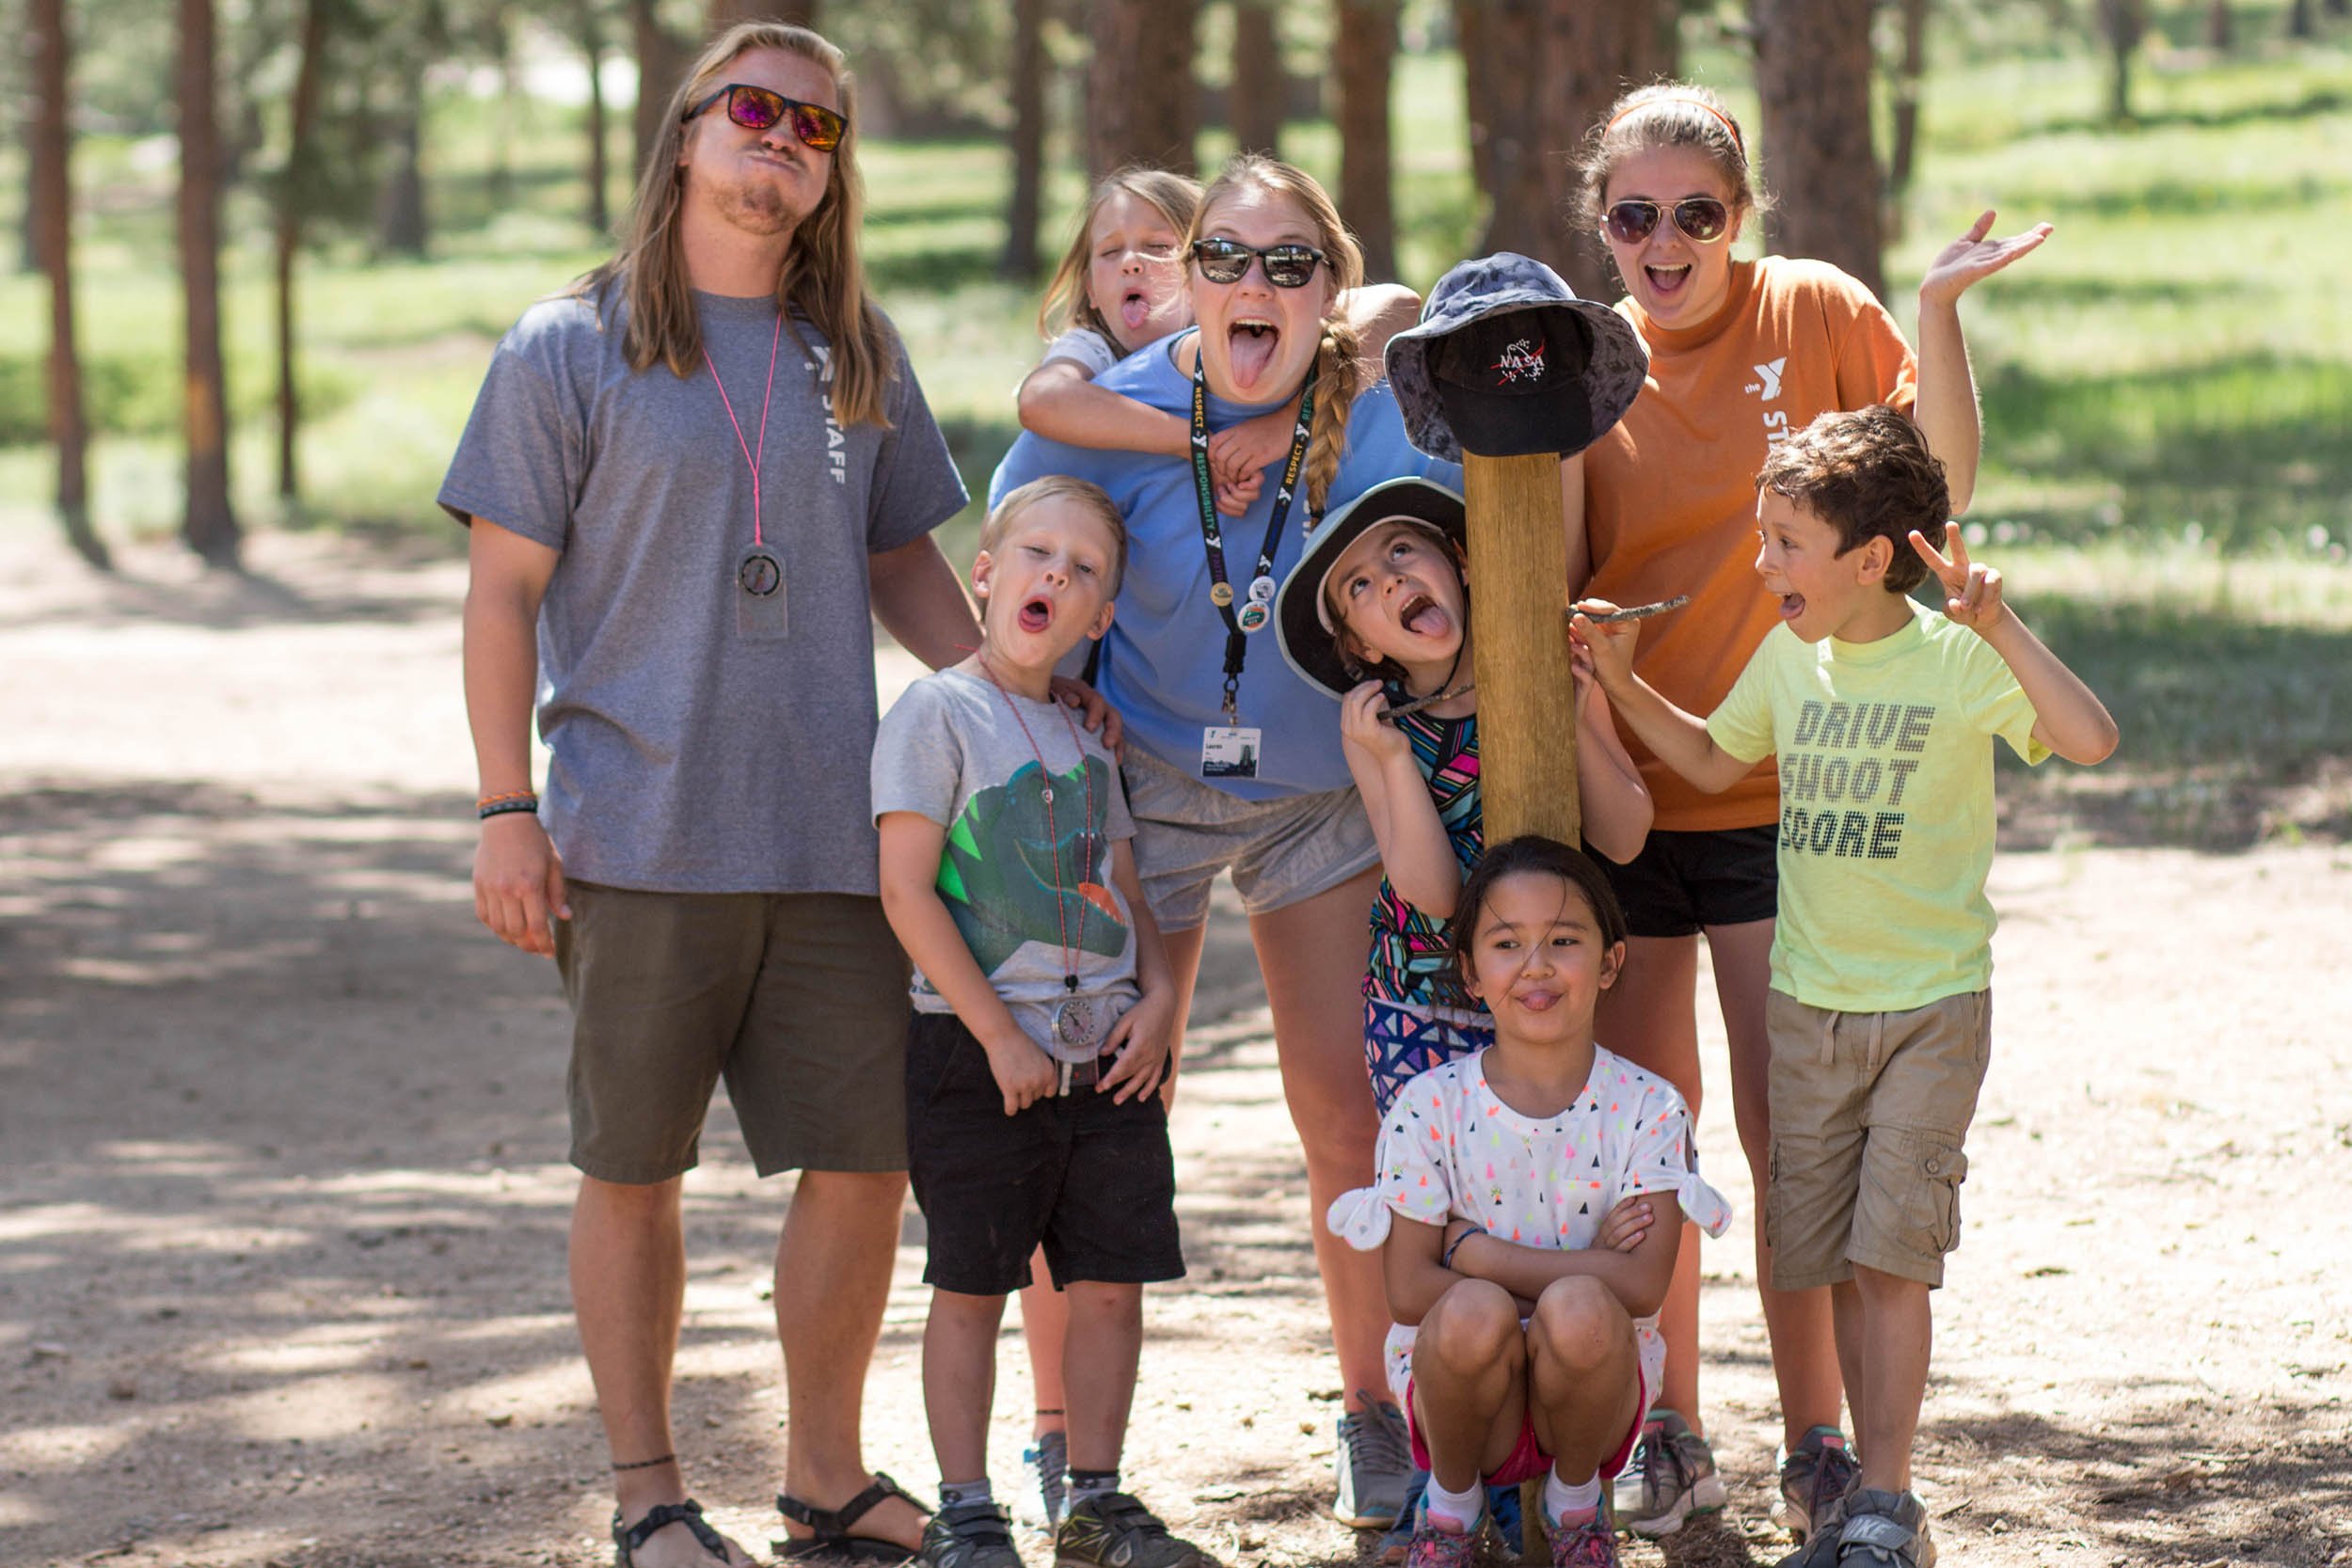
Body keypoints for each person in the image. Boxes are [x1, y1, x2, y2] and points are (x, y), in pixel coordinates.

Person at [447, 24, 1018, 1568]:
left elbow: (904, 556)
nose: (785, 141)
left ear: (833, 171)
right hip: (637, 833)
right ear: (689, 132)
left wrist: (1006, 704)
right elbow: (503, 594)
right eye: (755, 111)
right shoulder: (564, 347)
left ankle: (824, 1476)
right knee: (632, 1168)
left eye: (817, 128)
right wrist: (510, 809)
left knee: (865, 1159)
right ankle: (647, 1493)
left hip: (840, 836)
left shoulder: (859, 347)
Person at [1560, 81, 2054, 1537]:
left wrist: (1939, 314)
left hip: (1791, 793)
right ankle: (1673, 1429)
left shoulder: (1817, 311)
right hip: (1646, 800)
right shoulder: (1589, 371)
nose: (1664, 243)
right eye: (1633, 216)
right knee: (1655, 1139)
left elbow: (1935, 491)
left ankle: (1817, 1437)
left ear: (1742, 218)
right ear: (1605, 224)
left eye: (1694, 216)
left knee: (1800, 1143)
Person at [991, 154, 1468, 1531]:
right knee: (1105, 1101)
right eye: (1226, 257)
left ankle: (1378, 1413)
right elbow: (1015, 562)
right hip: (1140, 785)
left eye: (1289, 264)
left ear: (1332, 286)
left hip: (1324, 790)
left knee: (1345, 1113)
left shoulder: (1383, 410)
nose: (1253, 286)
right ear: (1189, 274)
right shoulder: (1112, 408)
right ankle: (1066, 1439)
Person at [1575, 405, 2118, 1567]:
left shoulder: (1960, 658)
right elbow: (1717, 759)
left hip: (1929, 1007)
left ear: (1868, 560)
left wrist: (2004, 623)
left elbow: (2088, 738)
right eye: (1760, 535)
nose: (1759, 563)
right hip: (1809, 1012)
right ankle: (1866, 1493)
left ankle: (1883, 1498)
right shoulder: (1788, 655)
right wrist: (1619, 683)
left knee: (1889, 1261)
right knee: (1818, 1255)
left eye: (1782, 542)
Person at [872, 476, 1200, 1568]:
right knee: (971, 1284)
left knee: (1110, 1282)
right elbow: (907, 890)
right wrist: (998, 1035)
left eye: (1083, 569)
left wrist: (1160, 999)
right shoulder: (935, 713)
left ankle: (1095, 1499)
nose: (1054, 575)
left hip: (1108, 1058)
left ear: (1099, 617)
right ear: (985, 572)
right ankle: (966, 1507)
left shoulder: (1089, 736)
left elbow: (1127, 889)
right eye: (1036, 554)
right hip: (977, 1055)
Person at [1325, 835, 1732, 1568]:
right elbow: (1411, 1290)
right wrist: (1590, 1260)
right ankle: (1449, 1511)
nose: (1537, 965)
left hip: (1592, 1395)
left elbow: (1641, 1286)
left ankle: (1575, 1508)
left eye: (1564, 939)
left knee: (1580, 1308)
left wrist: (1477, 1252)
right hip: (1461, 1392)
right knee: (1482, 1311)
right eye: (1507, 942)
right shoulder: (1427, 1108)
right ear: (1471, 973)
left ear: (1610, 961)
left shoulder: (1648, 1109)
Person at [1274, 474, 1652, 1117]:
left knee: (1544, 1194)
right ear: (1362, 644)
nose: (1390, 580)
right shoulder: (1376, 727)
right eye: (1358, 586)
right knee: (1441, 1203)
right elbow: (1437, 893)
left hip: (1544, 993)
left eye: (1400, 549)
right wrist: (1395, 761)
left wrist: (1573, 716)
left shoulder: (1547, 663)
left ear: (1463, 564)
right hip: (1420, 1005)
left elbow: (1625, 834)